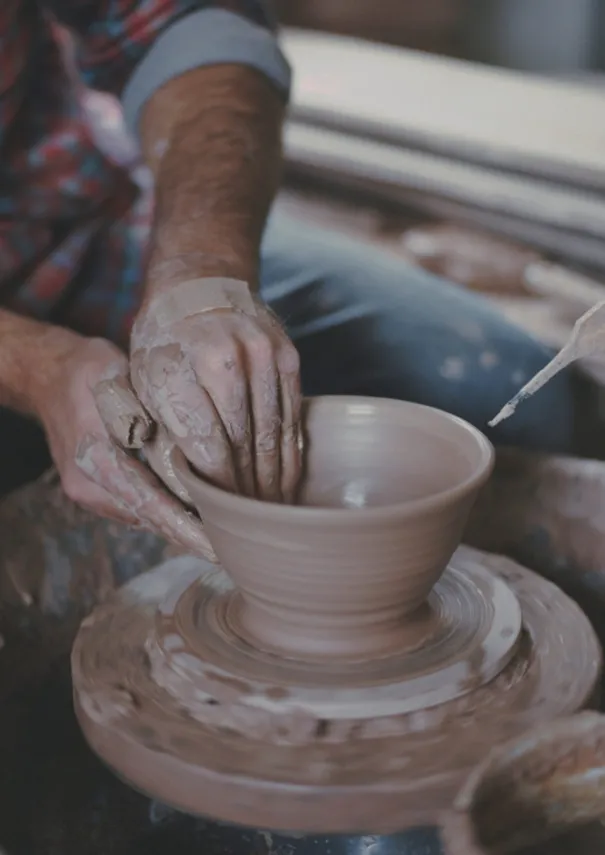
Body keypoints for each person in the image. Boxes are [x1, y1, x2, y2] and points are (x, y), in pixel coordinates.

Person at [0, 0, 585, 559]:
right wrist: (40, 368)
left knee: (519, 396)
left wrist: (202, 275)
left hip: (98, 225)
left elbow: (184, 25)